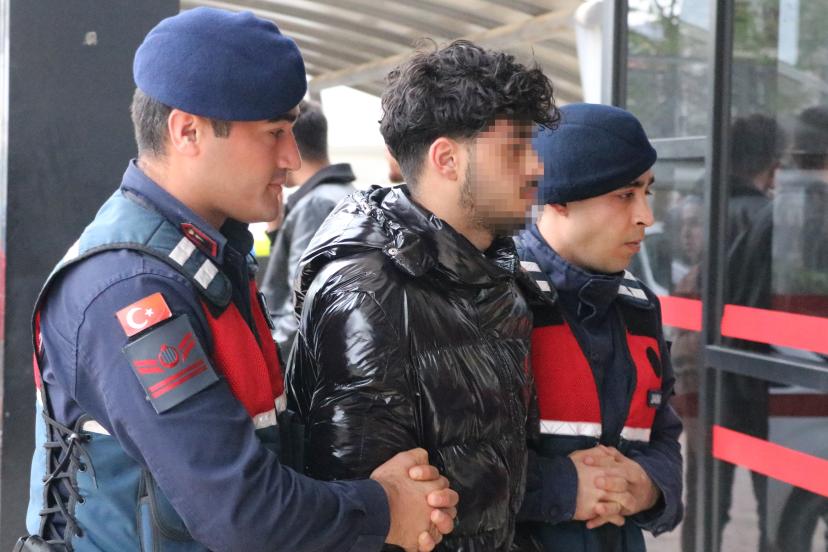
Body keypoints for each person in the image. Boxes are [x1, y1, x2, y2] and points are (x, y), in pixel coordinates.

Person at [21, 8, 458, 552]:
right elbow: (240, 512)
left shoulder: (206, 258)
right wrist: (383, 507)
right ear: (188, 132)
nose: (292, 158)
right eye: (274, 133)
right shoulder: (131, 290)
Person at [286, 40, 557, 551]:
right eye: (514, 150)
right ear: (447, 159)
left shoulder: (500, 277)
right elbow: (365, 518)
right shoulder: (369, 293)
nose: (535, 169)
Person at [515, 103, 683, 551]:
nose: (646, 216)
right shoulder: (495, 299)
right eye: (625, 195)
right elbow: (457, 465)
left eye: (647, 192)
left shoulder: (638, 306)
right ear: (558, 200)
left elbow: (663, 434)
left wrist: (648, 486)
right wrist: (564, 488)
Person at [260, 100, 356, 353]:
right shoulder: (347, 194)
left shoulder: (315, 205)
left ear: (290, 143)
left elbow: (303, 305)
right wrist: (278, 233)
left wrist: (270, 353)